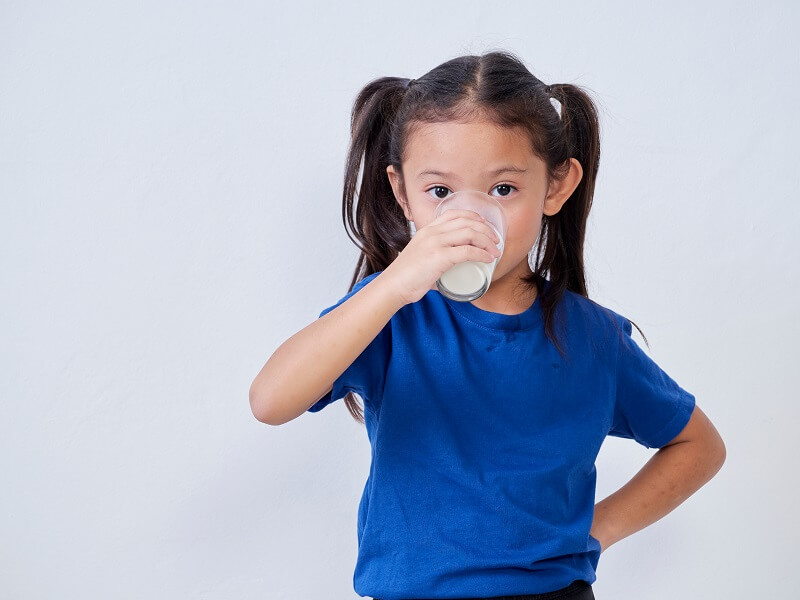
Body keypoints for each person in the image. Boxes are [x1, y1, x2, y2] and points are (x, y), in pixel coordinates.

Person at [249, 50, 726, 600]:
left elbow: (699, 445)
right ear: (402, 193)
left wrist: (594, 532)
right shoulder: (390, 315)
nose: (470, 215)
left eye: (503, 189)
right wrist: (393, 284)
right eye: (440, 192)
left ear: (556, 186)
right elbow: (269, 401)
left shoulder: (594, 338)